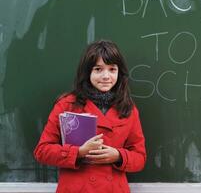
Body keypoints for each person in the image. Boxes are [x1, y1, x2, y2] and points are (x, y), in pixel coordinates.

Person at [34, 40, 146, 193]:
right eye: (98, 69)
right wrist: (78, 152)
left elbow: (140, 157)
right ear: (87, 72)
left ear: (119, 73)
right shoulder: (67, 104)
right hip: (76, 189)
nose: (106, 76)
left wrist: (118, 156)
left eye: (112, 69)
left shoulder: (128, 108)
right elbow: (42, 151)